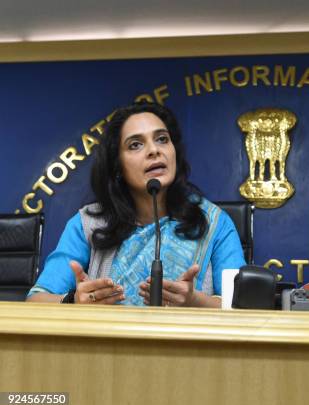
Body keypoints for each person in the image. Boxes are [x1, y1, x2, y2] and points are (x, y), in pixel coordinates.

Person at [27, 102, 245, 307]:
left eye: (162, 139)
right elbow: (36, 300)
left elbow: (242, 306)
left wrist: (195, 302)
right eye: (135, 145)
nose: (154, 150)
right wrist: (73, 301)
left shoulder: (214, 222)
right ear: (118, 167)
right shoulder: (89, 223)